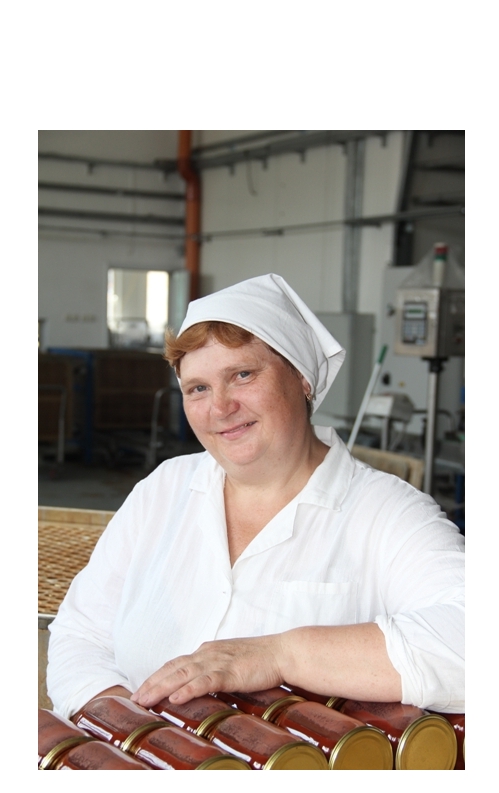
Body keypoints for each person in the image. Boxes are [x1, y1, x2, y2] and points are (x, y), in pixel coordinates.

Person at [47, 273, 464, 720]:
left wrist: (281, 655)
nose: (220, 407)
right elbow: (81, 634)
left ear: (302, 378)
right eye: (198, 388)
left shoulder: (386, 513)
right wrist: (131, 733)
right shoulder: (163, 490)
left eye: (242, 375)